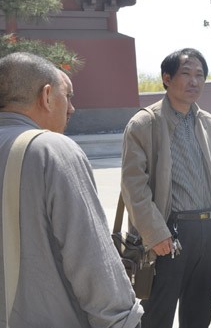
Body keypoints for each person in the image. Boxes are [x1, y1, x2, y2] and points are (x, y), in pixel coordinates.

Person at [0, 52, 142, 328]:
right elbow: (92, 259)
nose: (72, 108)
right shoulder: (50, 149)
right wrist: (122, 320)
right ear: (46, 96)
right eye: (67, 96)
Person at [121, 48, 211, 328]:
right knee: (156, 315)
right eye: (186, 73)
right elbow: (133, 186)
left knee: (199, 315)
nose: (194, 81)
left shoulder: (208, 123)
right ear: (167, 78)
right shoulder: (145, 123)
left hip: (209, 232)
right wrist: (155, 233)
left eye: (200, 75)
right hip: (168, 234)